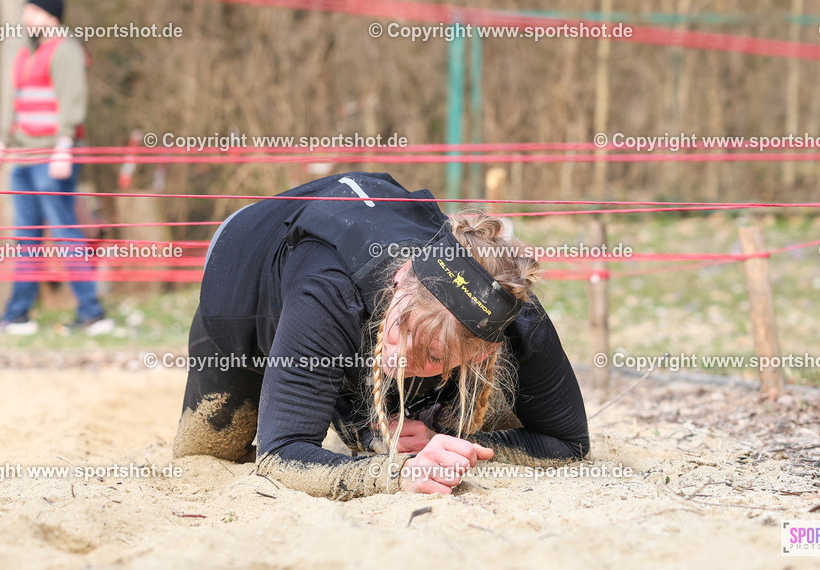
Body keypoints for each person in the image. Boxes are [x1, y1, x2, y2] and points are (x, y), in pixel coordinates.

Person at [173, 172, 589, 499]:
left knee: (462, 411)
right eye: (405, 328)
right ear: (404, 275)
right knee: (208, 454)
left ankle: (382, 415)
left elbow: (569, 441)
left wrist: (442, 440)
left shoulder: (516, 316)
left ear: (482, 352)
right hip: (247, 271)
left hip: (364, 302)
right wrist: (400, 473)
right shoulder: (327, 290)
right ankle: (369, 414)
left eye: (432, 353)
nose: (403, 355)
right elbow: (279, 454)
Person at [0, 0, 112, 336]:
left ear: (50, 15)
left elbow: (73, 102)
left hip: (51, 156)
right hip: (23, 157)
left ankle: (92, 312)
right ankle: (18, 313)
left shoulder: (65, 50)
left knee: (65, 230)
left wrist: (64, 147)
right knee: (26, 237)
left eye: (32, 12)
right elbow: (16, 106)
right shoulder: (25, 55)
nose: (26, 19)